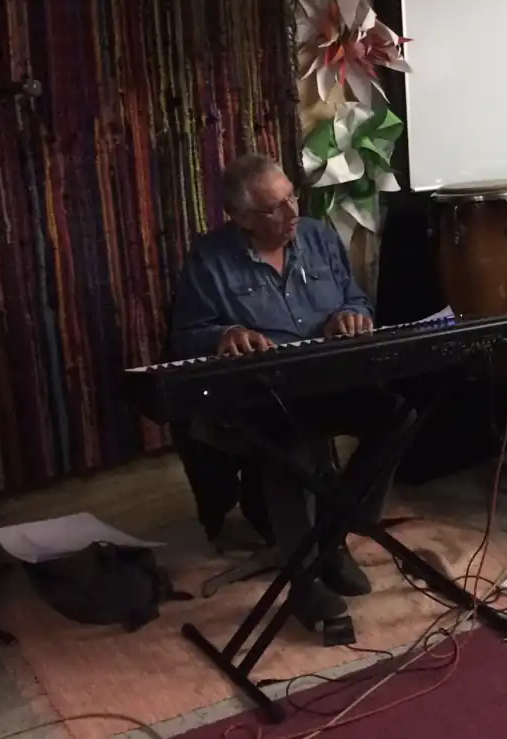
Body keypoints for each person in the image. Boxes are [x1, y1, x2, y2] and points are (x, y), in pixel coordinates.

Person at [170, 153, 402, 628]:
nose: (293, 212)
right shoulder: (209, 259)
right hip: (259, 394)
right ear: (240, 217)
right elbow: (185, 337)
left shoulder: (319, 238)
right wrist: (224, 334)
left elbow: (355, 297)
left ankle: (331, 537)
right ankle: (305, 580)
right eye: (275, 207)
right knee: (290, 446)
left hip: (328, 380)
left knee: (397, 415)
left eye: (292, 197)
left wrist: (351, 315)